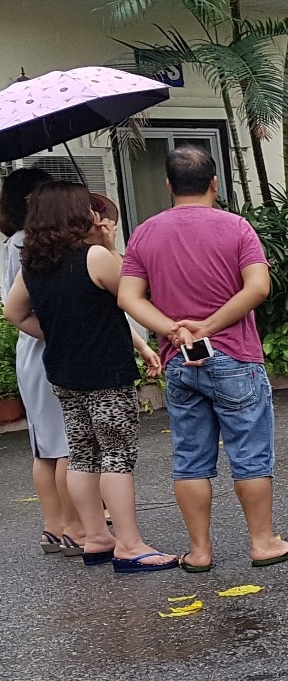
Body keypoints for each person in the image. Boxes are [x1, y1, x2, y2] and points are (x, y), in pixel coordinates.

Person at [118, 146, 288, 570]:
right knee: (250, 453)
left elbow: (128, 296)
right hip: (235, 355)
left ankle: (200, 551)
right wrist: (209, 325)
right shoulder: (237, 228)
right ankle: (263, 542)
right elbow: (257, 287)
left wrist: (173, 329)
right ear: (214, 182)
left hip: (177, 360)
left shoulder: (145, 232)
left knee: (189, 459)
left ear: (168, 185)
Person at [4, 181, 171, 571]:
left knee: (81, 452)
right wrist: (111, 245)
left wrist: (57, 331)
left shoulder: (35, 264)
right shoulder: (96, 256)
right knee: (116, 455)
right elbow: (134, 290)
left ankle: (95, 538)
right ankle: (130, 545)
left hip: (63, 371)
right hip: (105, 370)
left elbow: (14, 313)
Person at [1, 168, 83, 557]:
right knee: (68, 443)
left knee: (44, 445)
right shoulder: (34, 245)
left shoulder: (11, 243)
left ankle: (53, 526)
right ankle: (73, 526)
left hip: (28, 349)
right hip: (49, 343)